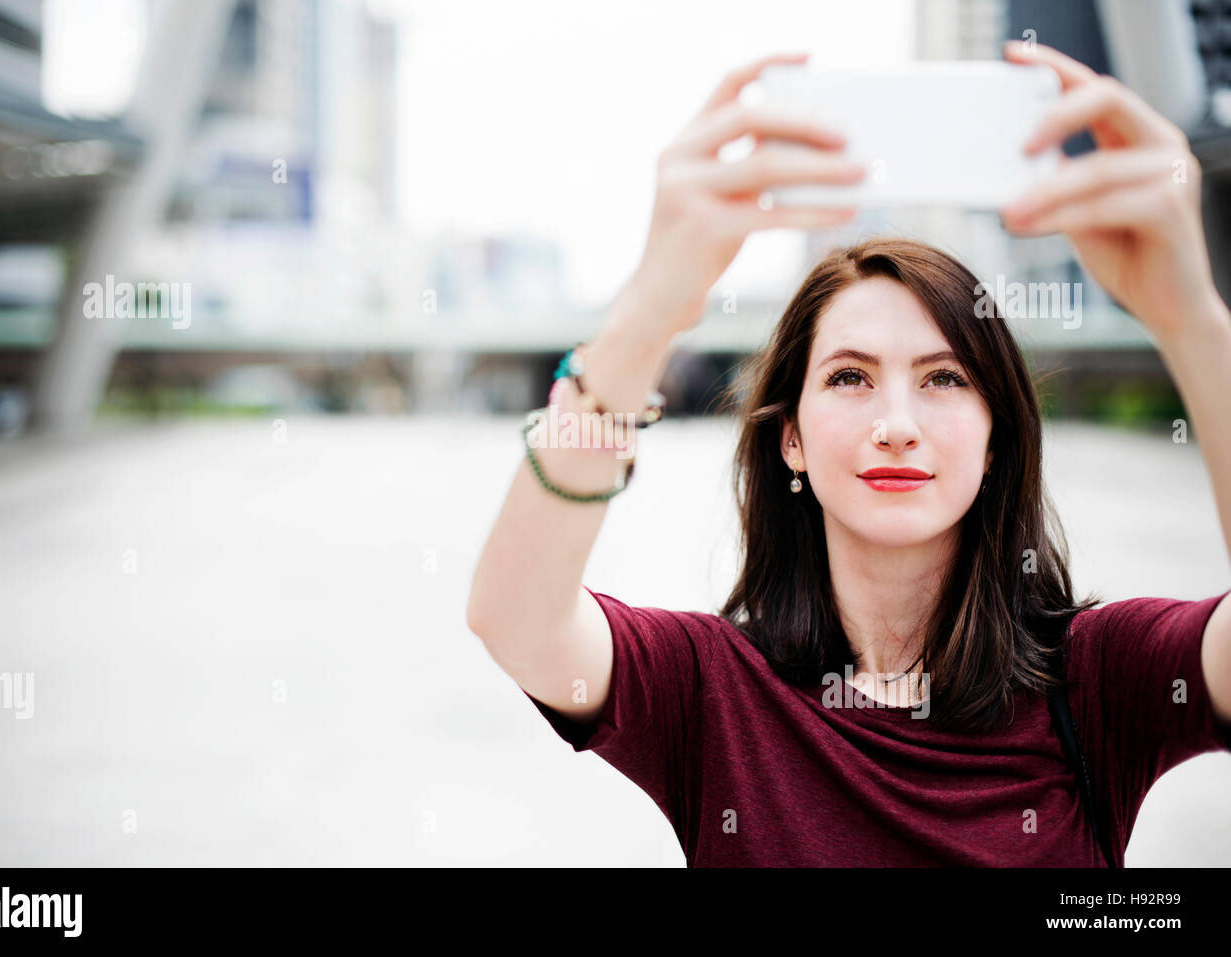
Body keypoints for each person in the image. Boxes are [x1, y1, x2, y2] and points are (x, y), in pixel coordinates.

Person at [465, 41, 1231, 866]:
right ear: (790, 439)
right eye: (850, 377)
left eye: (943, 378)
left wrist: (1190, 316)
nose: (896, 423)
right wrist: (651, 307)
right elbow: (517, 620)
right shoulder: (711, 688)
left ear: (995, 440)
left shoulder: (1099, 678)